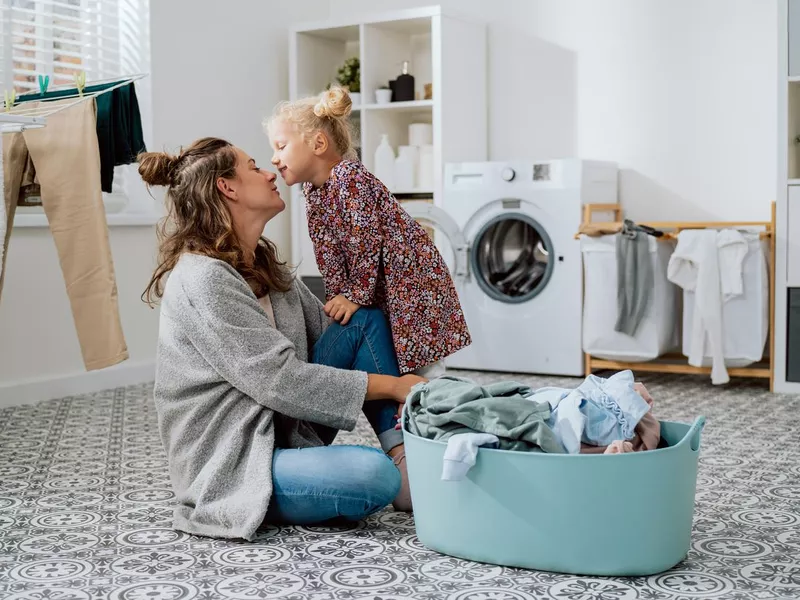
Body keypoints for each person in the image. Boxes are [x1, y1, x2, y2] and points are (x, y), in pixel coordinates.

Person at [138, 137, 424, 541]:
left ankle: (404, 454)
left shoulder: (264, 266)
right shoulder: (203, 279)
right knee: (372, 476)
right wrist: (395, 386)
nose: (270, 172)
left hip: (285, 428)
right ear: (227, 187)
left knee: (363, 320)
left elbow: (331, 339)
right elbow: (279, 379)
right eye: (254, 166)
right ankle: (382, 471)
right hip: (236, 458)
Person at [265, 87, 471, 487]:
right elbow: (328, 248)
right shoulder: (315, 190)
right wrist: (339, 295)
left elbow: (365, 241)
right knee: (389, 353)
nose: (275, 158)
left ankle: (438, 431)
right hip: (377, 282)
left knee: (416, 361)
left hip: (407, 281)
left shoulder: (349, 178)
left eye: (281, 146)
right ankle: (411, 447)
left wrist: (356, 295)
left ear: (318, 143)